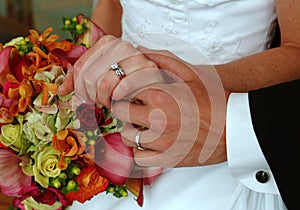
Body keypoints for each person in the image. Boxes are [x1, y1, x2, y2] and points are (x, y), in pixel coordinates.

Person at [60, 0, 300, 209]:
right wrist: (89, 78)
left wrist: (193, 84)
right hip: (121, 121)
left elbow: (295, 51)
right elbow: (112, 4)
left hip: (219, 131)